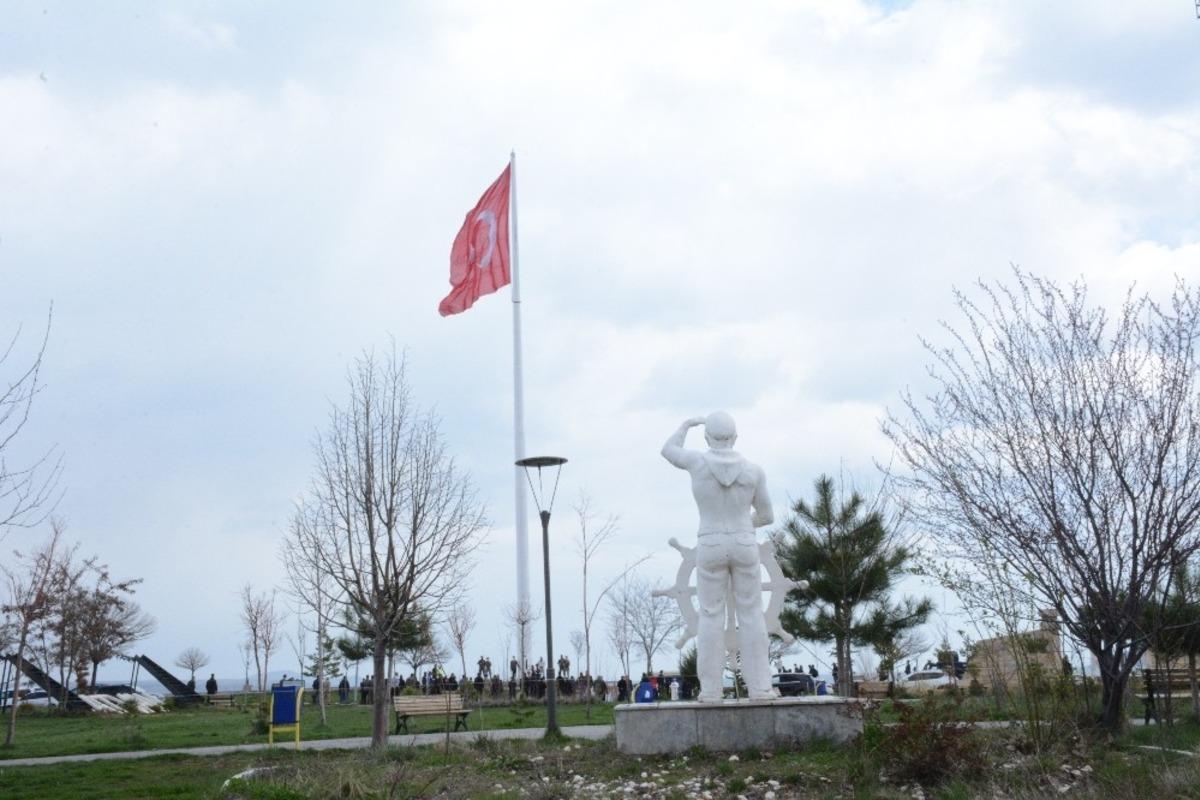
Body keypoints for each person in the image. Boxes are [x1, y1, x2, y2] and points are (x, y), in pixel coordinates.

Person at [662, 412, 775, 701]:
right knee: (751, 614)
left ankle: (711, 690)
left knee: (710, 616)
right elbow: (766, 515)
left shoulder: (697, 463)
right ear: (736, 437)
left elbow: (668, 450)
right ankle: (761, 687)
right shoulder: (754, 471)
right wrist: (742, 524)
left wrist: (685, 424)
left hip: (710, 543)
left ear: (707, 438)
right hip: (743, 542)